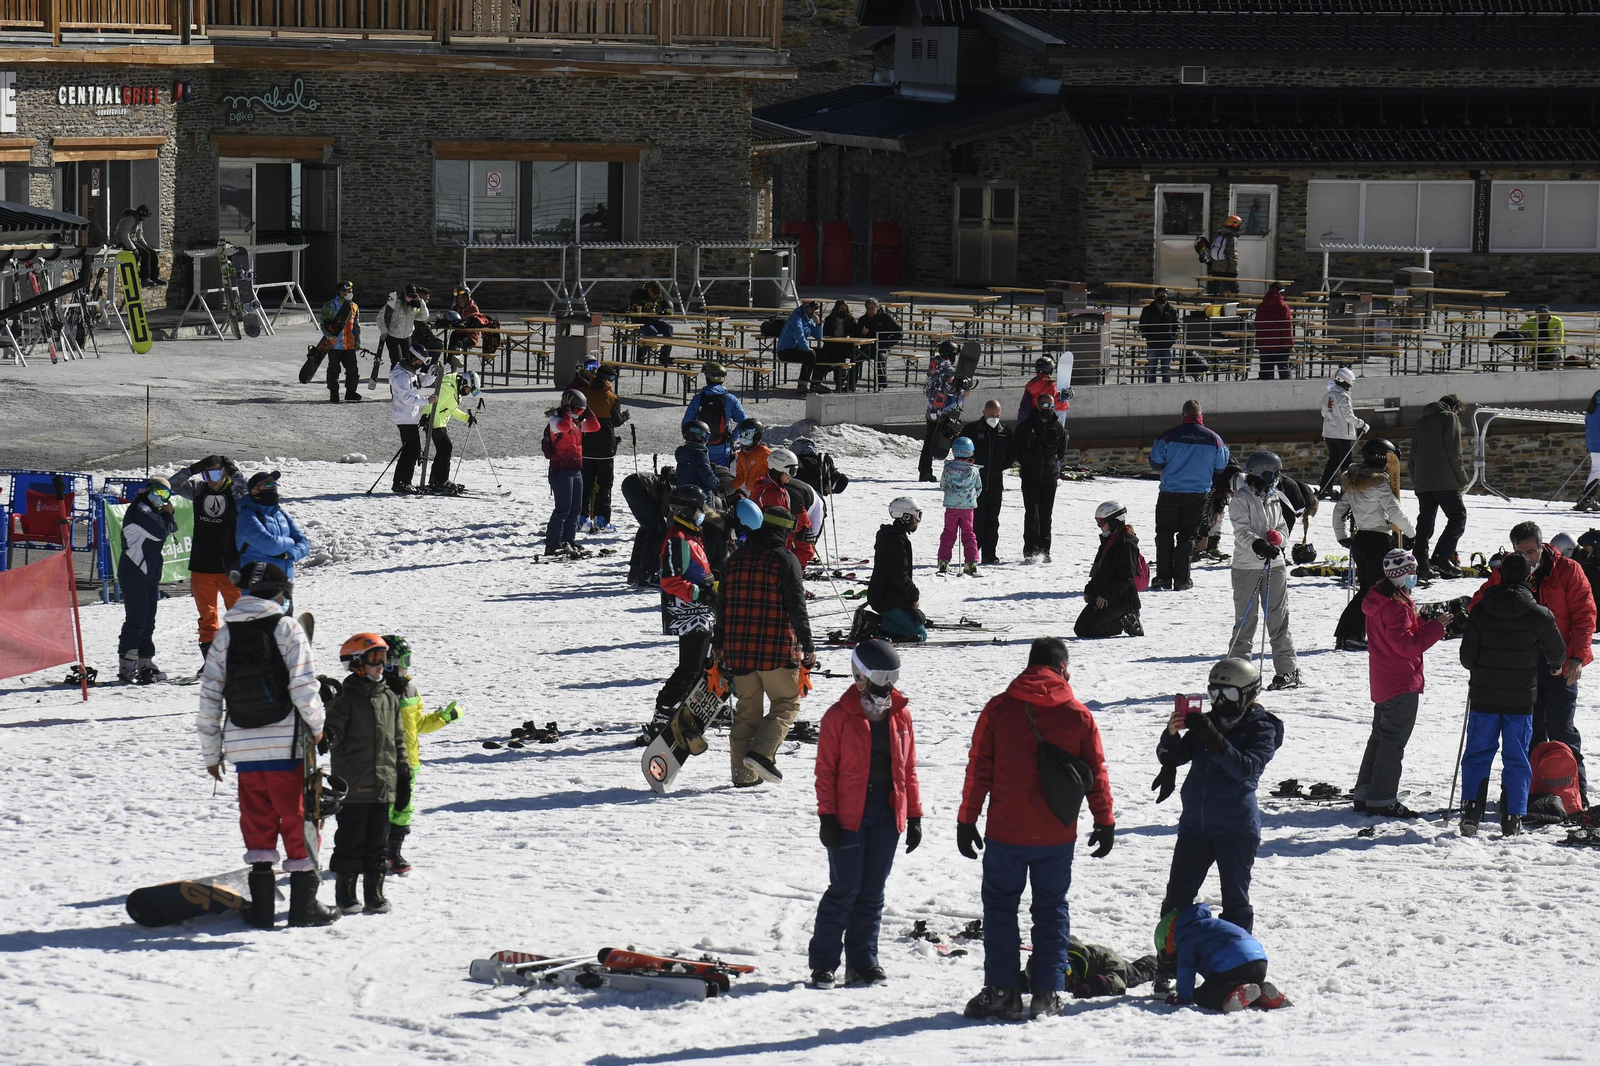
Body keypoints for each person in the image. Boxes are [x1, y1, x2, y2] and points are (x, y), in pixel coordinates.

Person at [957, 637, 1114, 1022]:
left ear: (1029, 666)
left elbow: (979, 768)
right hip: (1056, 835)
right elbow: (1096, 773)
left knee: (999, 909)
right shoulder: (1078, 714)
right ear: (1063, 667)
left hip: (1005, 832)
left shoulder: (999, 708)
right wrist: (1104, 820)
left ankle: (1004, 993)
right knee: (1050, 910)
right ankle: (1046, 993)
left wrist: (967, 818)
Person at [196, 561, 338, 929]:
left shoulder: (225, 635)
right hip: (287, 746)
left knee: (257, 822)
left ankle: (260, 912)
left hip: (243, 748)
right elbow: (305, 690)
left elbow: (210, 696)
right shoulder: (286, 628)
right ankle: (304, 908)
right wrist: (318, 729)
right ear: (282, 592)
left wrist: (213, 753)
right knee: (299, 821)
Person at [808, 640, 922, 989]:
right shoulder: (838, 717)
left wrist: (914, 815)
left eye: (892, 677)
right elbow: (825, 771)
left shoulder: (900, 713)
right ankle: (823, 964)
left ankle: (863, 960)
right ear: (860, 676)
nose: (886, 686)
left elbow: (909, 768)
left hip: (887, 813)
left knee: (872, 891)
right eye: (880, 677)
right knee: (845, 889)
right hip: (848, 813)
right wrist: (827, 817)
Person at [1153, 658, 1282, 955]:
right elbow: (1174, 756)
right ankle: (1170, 961)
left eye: (1229, 695)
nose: (1220, 701)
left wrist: (1213, 737)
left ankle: (1236, 963)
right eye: (1215, 694)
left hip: (1236, 827)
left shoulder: (1263, 728)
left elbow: (1246, 768)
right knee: (1176, 900)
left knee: (1235, 902)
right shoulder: (1206, 722)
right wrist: (1171, 735)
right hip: (1195, 826)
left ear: (1250, 694)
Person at [1470, 520, 1595, 805]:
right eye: (1520, 552)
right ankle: (1525, 792)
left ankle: (1576, 793)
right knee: (1528, 730)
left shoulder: (1568, 570)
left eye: (1531, 552)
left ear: (1542, 547)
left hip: (1561, 662)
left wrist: (1576, 658)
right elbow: (1479, 605)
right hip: (1521, 666)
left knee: (1563, 728)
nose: (1527, 558)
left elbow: (1585, 616)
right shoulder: (1508, 572)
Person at [1458, 551, 1567, 836]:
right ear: (1529, 577)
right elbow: (1558, 653)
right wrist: (1555, 666)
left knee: (1478, 753)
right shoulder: (1539, 614)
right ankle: (1513, 818)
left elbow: (1467, 659)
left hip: (1484, 696)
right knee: (1517, 756)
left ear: (1502, 574)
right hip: (1521, 698)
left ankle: (1471, 812)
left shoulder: (1480, 610)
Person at [717, 505, 817, 787]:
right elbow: (796, 607)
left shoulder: (734, 560)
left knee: (747, 713)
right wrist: (808, 645)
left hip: (738, 652)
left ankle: (743, 776)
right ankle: (762, 754)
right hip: (775, 650)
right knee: (786, 703)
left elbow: (721, 608)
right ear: (785, 531)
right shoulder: (785, 559)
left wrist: (719, 644)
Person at [1354, 549, 1449, 818]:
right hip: (1401, 681)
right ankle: (1382, 799)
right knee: (1392, 742)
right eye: (1412, 571)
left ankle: (1365, 793)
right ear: (1401, 575)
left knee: (1380, 738)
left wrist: (1426, 620)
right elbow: (1406, 645)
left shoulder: (1382, 599)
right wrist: (1436, 629)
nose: (1415, 576)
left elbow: (1401, 632)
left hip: (1384, 679)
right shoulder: (1395, 605)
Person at [324, 633, 403, 915]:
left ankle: (375, 893)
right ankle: (346, 893)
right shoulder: (344, 699)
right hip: (354, 786)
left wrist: (402, 774)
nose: (381, 665)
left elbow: (398, 740)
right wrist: (326, 735)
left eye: (384, 659)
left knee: (379, 843)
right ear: (357, 664)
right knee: (350, 842)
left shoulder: (389, 697)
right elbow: (331, 732)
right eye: (374, 659)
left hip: (383, 787)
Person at [379, 634, 461, 876]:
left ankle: (393, 852)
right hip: (381, 763)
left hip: (409, 762)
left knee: (403, 809)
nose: (407, 666)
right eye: (404, 661)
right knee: (381, 809)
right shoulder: (375, 689)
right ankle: (374, 851)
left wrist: (443, 718)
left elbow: (417, 725)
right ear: (390, 663)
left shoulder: (411, 690)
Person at [1332, 439, 1414, 651]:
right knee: (1373, 591)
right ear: (1382, 458)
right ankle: (1348, 633)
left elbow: (1339, 511)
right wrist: (1411, 533)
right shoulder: (1379, 484)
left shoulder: (1354, 482)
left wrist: (1342, 536)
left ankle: (1351, 634)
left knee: (1368, 588)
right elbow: (1395, 512)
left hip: (1360, 540)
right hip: (1376, 540)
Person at [1228, 452, 1300, 690]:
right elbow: (1241, 529)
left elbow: (1282, 526)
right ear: (1260, 473)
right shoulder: (1241, 498)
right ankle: (1239, 672)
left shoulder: (1274, 497)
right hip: (1247, 566)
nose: (1277, 477)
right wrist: (1258, 543)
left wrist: (1279, 539)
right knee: (1246, 620)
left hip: (1275, 566)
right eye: (1273, 473)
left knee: (1278, 618)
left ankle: (1288, 670)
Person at [652, 485, 719, 736]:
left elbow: (699, 570)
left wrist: (714, 585)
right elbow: (670, 581)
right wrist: (703, 593)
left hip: (701, 611)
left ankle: (691, 707)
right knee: (690, 667)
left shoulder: (693, 534)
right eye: (701, 507)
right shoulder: (677, 538)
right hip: (687, 612)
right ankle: (663, 711)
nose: (705, 511)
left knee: (702, 664)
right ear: (690, 510)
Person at [170, 456, 246, 667]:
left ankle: (238, 657)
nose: (210, 480)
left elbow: (248, 494)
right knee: (207, 617)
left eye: (214, 474)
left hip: (230, 565)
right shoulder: (198, 489)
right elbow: (172, 485)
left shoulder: (234, 491)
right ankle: (212, 661)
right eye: (206, 474)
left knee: (238, 614)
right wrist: (191, 469)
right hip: (202, 565)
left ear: (224, 473)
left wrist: (236, 473)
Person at [1148, 399, 1230, 591]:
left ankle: (1163, 577)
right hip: (1197, 494)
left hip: (1170, 492)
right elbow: (1220, 467)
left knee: (1164, 533)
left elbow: (1155, 462)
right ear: (1201, 416)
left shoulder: (1169, 435)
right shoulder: (1214, 438)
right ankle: (1182, 579)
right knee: (1187, 535)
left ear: (1183, 415)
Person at [1157, 904, 1289, 1013]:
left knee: (1204, 994)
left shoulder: (1186, 936)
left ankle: (1239, 993)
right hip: (1259, 961)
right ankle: (1262, 994)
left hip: (1232, 962)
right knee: (1240, 985)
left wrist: (1183, 997)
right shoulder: (1208, 924)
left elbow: (1186, 969)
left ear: (1169, 939)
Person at [116, 478, 178, 683]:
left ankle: (145, 662)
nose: (162, 499)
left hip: (149, 574)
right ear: (148, 491)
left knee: (148, 620)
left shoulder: (151, 510)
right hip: (134, 572)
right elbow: (162, 532)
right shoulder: (140, 510)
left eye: (166, 495)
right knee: (137, 619)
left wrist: (166, 514)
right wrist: (168, 514)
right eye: (159, 493)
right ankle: (128, 665)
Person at [1409, 394, 1469, 579]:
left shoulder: (1421, 422)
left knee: (1425, 523)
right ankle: (1441, 558)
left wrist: (1417, 480)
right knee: (1458, 517)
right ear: (1453, 407)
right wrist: (1462, 478)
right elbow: (1454, 451)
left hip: (1423, 481)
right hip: (1444, 481)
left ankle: (1421, 565)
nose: (1458, 416)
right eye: (1458, 412)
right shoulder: (1449, 418)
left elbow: (1412, 455)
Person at [541, 389, 601, 558]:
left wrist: (587, 408)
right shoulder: (555, 422)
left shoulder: (576, 423)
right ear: (571, 408)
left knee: (575, 509)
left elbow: (596, 426)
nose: (580, 414)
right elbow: (565, 426)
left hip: (575, 471)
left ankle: (568, 540)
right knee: (562, 509)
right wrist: (566, 409)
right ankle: (552, 544)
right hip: (560, 471)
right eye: (579, 410)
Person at [1075, 500, 1143, 638]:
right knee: (1080, 629)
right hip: (1103, 596)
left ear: (1114, 521)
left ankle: (1127, 620)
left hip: (1120, 599)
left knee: (1090, 631)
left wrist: (1107, 594)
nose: (1099, 526)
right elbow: (1100, 570)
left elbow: (1127, 577)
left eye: (1101, 522)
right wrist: (1091, 588)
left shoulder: (1127, 544)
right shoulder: (1108, 541)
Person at [1013, 393, 1069, 562]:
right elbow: (1017, 449)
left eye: (1051, 406)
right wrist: (1028, 463)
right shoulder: (1026, 426)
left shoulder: (1057, 427)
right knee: (1032, 514)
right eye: (1045, 406)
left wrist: (1051, 466)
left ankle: (1045, 551)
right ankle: (1030, 551)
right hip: (1030, 477)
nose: (1048, 409)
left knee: (1046, 515)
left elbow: (1061, 451)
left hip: (1049, 477)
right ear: (1038, 406)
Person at [575, 359, 629, 532]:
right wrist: (626, 416)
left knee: (586, 483)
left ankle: (582, 519)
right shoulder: (612, 397)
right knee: (605, 485)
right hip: (605, 447)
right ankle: (601, 521)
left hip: (586, 444)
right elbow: (616, 421)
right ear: (608, 381)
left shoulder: (584, 393)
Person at [236, 471, 311, 594]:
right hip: (258, 585)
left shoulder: (280, 513)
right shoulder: (247, 515)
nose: (274, 487)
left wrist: (290, 554)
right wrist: (292, 542)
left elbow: (304, 542)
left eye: (274, 483)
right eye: (267, 484)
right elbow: (270, 545)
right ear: (254, 491)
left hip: (284, 584)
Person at [959, 399, 1013, 565]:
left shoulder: (1005, 432)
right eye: (991, 415)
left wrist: (1000, 467)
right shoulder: (971, 430)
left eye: (997, 415)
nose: (994, 418)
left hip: (995, 483)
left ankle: (990, 554)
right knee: (976, 519)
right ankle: (973, 553)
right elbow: (960, 450)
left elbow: (1012, 454)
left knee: (992, 519)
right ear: (984, 413)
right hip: (974, 484)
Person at [868, 498, 926, 643]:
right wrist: (914, 595)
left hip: (888, 597)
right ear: (906, 517)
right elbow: (899, 576)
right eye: (916, 516)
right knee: (920, 635)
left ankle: (886, 622)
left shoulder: (893, 537)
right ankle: (872, 624)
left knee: (916, 625)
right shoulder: (895, 542)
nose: (918, 521)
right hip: (886, 600)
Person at [750, 447, 818, 569]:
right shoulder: (771, 494)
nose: (792, 476)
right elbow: (775, 529)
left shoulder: (776, 489)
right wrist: (796, 536)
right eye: (791, 471)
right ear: (779, 469)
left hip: (774, 547)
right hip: (771, 550)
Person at [388, 346, 440, 495]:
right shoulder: (402, 376)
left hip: (409, 417)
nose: (420, 364)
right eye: (419, 361)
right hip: (404, 417)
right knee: (413, 450)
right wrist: (427, 401)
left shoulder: (409, 373)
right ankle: (402, 482)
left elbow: (421, 381)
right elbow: (407, 399)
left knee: (410, 450)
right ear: (411, 358)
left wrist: (433, 372)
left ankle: (401, 482)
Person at [680, 362, 746, 468]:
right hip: (722, 449)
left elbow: (686, 424)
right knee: (721, 478)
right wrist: (733, 438)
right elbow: (744, 421)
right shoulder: (730, 399)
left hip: (699, 448)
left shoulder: (698, 398)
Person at [620, 464, 676, 586]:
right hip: (638, 486)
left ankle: (635, 572)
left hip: (633, 483)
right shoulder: (679, 497)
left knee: (646, 529)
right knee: (656, 531)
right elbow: (670, 526)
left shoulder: (676, 485)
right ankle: (647, 575)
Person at [919, 341, 967, 481]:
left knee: (929, 441)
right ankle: (961, 470)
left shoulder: (934, 364)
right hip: (944, 411)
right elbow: (950, 389)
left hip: (932, 409)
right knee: (954, 438)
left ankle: (925, 471)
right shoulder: (948, 369)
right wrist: (963, 388)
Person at [1317, 367, 1367, 499]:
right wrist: (1361, 424)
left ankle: (1325, 487)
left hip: (1329, 433)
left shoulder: (1328, 395)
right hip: (1342, 434)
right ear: (1345, 381)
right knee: (1346, 462)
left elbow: (1323, 412)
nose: (1350, 386)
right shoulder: (1343, 397)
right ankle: (1346, 490)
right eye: (1350, 383)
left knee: (1333, 460)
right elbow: (1348, 416)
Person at [937, 436, 983, 576]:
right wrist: (971, 497)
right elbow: (978, 488)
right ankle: (971, 562)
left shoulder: (948, 468)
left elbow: (943, 485)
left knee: (948, 533)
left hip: (951, 507)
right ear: (970, 452)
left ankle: (944, 561)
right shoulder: (974, 471)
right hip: (967, 508)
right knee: (968, 534)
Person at [1065, 936, 1161, 999]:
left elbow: (1117, 981)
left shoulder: (1104, 958)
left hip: (1120, 967)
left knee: (1140, 973)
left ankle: (1159, 962)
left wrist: (1096, 985)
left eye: (1068, 974)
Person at [320, 281, 363, 404]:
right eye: (348, 291)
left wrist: (357, 340)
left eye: (351, 291)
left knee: (352, 369)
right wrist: (328, 336)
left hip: (349, 344)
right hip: (334, 344)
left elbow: (356, 325)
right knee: (334, 369)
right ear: (341, 292)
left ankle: (351, 392)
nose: (350, 294)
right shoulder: (330, 306)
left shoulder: (354, 306)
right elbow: (323, 323)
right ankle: (334, 392)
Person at [778, 301, 828, 394]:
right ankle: (802, 385)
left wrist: (818, 324)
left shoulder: (808, 319)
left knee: (822, 352)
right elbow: (798, 334)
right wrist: (806, 347)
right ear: (805, 308)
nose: (812, 311)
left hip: (797, 348)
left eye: (814, 309)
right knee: (810, 355)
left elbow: (818, 336)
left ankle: (816, 383)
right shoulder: (796, 317)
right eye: (810, 308)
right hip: (785, 350)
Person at [377, 287, 423, 382]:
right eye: (410, 295)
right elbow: (380, 316)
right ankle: (394, 388)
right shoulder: (394, 302)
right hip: (393, 336)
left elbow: (424, 316)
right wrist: (384, 330)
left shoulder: (414, 306)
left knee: (408, 362)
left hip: (407, 336)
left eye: (413, 295)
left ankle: (406, 384)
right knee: (397, 362)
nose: (411, 297)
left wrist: (421, 301)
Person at [1139, 288, 1181, 383]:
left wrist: (1173, 338)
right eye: (1160, 296)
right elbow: (1142, 326)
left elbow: (1176, 326)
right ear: (1155, 296)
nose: (1163, 298)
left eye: (1164, 296)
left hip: (1167, 345)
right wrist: (1149, 337)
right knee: (1152, 370)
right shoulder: (1148, 309)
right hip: (1153, 344)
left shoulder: (1171, 310)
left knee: (1166, 370)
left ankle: (1166, 389)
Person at [114, 204, 163, 285]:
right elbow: (124, 236)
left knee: (152, 253)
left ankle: (154, 277)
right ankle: (145, 278)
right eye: (144, 216)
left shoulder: (139, 220)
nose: (145, 219)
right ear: (141, 214)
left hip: (134, 239)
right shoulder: (130, 219)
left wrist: (147, 246)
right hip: (124, 241)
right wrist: (133, 248)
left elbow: (140, 235)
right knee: (145, 254)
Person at [855, 298, 901, 386]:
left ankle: (881, 384)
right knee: (855, 358)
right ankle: (851, 384)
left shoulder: (886, 318)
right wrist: (862, 334)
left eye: (872, 308)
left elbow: (899, 332)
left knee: (881, 357)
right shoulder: (863, 319)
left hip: (882, 348)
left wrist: (887, 343)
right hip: (867, 348)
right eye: (868, 308)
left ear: (878, 307)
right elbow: (857, 336)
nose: (870, 311)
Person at [628, 280, 675, 364]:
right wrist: (645, 312)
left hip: (653, 320)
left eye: (656, 295)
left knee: (669, 328)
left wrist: (659, 312)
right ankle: (641, 354)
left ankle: (664, 356)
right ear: (649, 290)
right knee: (651, 331)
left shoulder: (658, 296)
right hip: (639, 320)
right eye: (653, 294)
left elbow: (660, 308)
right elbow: (631, 310)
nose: (654, 297)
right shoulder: (638, 294)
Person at [1253, 283, 1293, 380]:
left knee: (1265, 372)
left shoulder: (1261, 306)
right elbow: (1286, 327)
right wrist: (1290, 344)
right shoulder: (1283, 306)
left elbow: (1257, 323)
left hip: (1264, 344)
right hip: (1280, 344)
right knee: (1284, 372)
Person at [675, 419, 721, 498]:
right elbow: (708, 479)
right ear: (699, 436)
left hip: (682, 494)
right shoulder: (699, 455)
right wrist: (717, 482)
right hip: (699, 498)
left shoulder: (683, 452)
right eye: (706, 437)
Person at [822, 299, 859, 390]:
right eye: (841, 309)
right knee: (836, 354)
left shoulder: (850, 319)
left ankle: (848, 382)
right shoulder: (830, 319)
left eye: (845, 309)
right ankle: (839, 380)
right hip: (833, 345)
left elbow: (855, 333)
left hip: (847, 345)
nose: (843, 311)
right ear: (836, 309)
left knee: (855, 357)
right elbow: (825, 334)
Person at [1201, 214, 1241, 295]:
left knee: (1215, 290)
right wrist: (1234, 269)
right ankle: (1235, 305)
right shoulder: (1231, 237)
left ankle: (1212, 305)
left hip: (1216, 267)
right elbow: (1233, 254)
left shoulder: (1219, 234)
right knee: (1235, 290)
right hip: (1228, 269)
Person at [730, 418, 770, 495]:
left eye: (747, 434)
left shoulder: (763, 452)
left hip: (763, 492)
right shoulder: (742, 455)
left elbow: (775, 472)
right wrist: (728, 489)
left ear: (756, 436)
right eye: (741, 434)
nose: (743, 438)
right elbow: (740, 477)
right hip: (750, 492)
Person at [1519, 304, 1565, 369]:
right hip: (1537, 346)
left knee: (1550, 359)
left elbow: (1560, 338)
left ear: (1549, 314)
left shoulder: (1557, 321)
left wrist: (1547, 351)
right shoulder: (1532, 320)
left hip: (1553, 347)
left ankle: (1546, 375)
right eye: (1539, 315)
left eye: (1544, 315)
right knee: (1538, 359)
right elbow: (1521, 330)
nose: (1541, 317)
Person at [1017, 356, 1061, 422]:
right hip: (1045, 420)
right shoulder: (1050, 385)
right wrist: (1064, 400)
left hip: (1031, 418)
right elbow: (1057, 405)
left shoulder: (1029, 384)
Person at [1578, 389, 1600, 513]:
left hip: (1593, 444)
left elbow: (1587, 426)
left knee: (1596, 471)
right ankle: (1587, 497)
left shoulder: (1591, 411)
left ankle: (1588, 497)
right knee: (1597, 472)